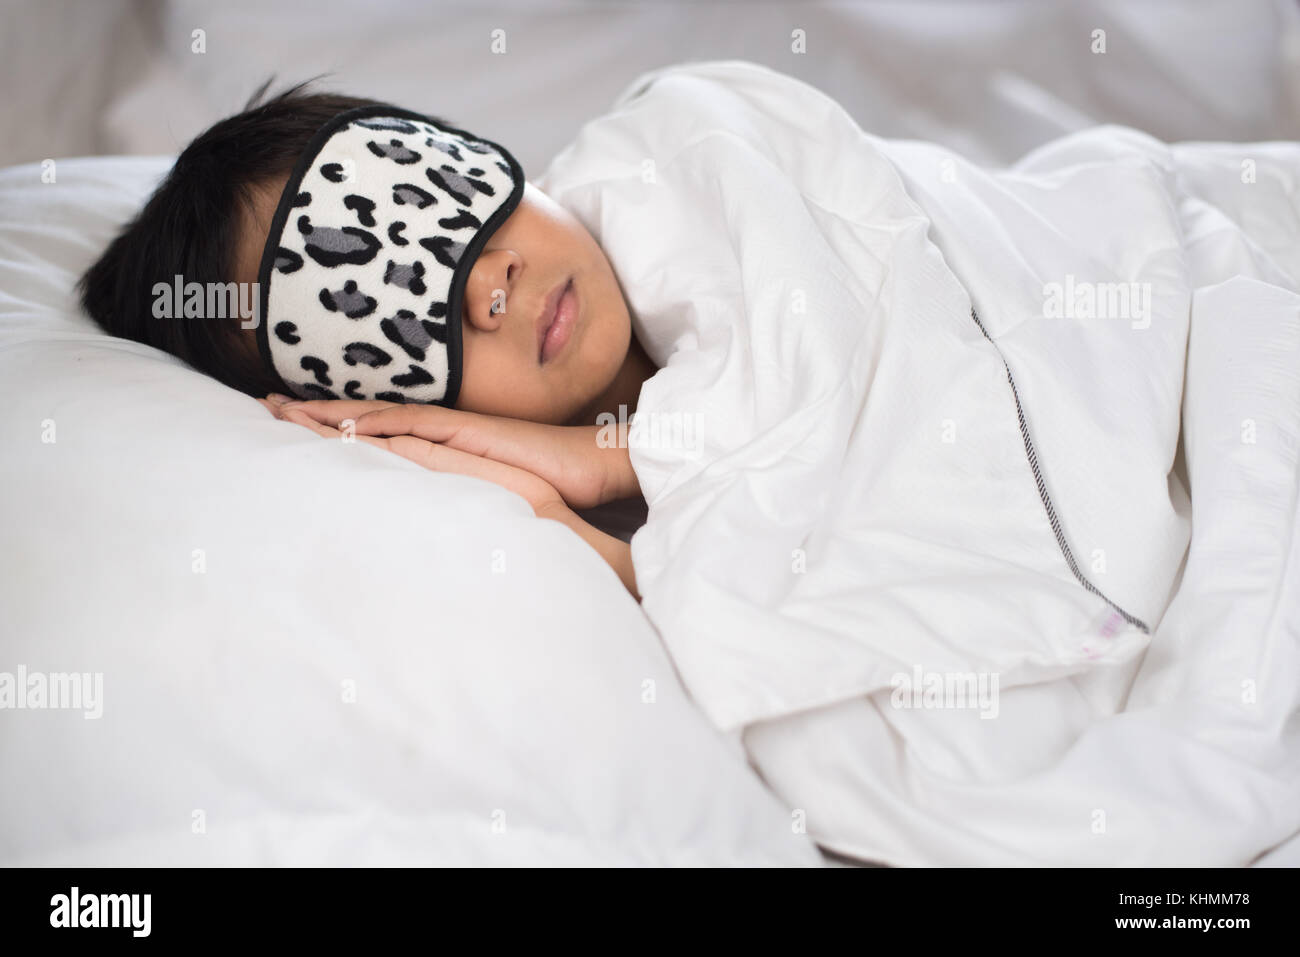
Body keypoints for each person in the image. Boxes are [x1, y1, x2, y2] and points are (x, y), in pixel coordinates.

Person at [77, 80, 655, 598]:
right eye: (403, 321)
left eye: (450, 198)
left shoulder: (690, 151)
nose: (489, 283)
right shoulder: (627, 555)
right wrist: (593, 516)